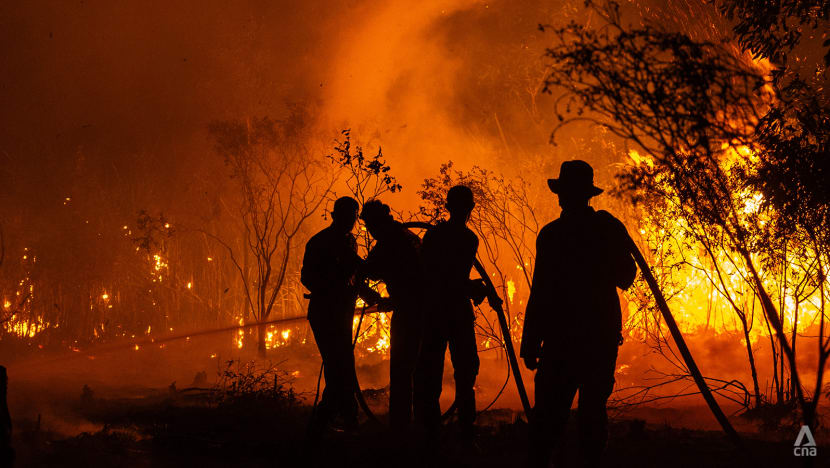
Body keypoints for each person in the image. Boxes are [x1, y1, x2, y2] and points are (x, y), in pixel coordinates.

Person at [520, 160, 637, 468]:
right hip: (598, 337)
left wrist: (530, 340)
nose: (562, 197)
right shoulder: (604, 230)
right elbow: (626, 277)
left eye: (564, 191)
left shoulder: (552, 235)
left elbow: (540, 291)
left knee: (549, 415)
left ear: (566, 195)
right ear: (588, 195)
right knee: (591, 413)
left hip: (562, 339)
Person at [301, 196, 379, 433]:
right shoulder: (320, 242)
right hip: (325, 314)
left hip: (343, 313)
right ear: (336, 216)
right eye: (346, 217)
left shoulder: (350, 242)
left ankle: (344, 419)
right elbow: (307, 278)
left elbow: (354, 273)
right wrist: (333, 288)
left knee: (342, 365)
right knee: (339, 367)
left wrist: (365, 292)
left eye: (353, 218)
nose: (350, 222)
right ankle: (327, 422)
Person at [416, 185, 485, 442]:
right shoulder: (468, 239)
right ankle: (464, 433)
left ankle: (432, 434)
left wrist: (470, 287)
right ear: (471, 208)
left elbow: (436, 275)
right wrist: (473, 288)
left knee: (437, 371)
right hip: (453, 312)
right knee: (464, 372)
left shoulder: (435, 236)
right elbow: (450, 278)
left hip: (437, 312)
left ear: (447, 207)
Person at [359, 200, 427, 434]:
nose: (370, 231)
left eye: (370, 225)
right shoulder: (406, 236)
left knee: (401, 370)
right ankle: (422, 425)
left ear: (378, 222)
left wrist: (371, 294)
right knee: (419, 370)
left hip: (410, 313)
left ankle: (400, 428)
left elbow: (369, 270)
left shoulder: (391, 241)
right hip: (423, 311)